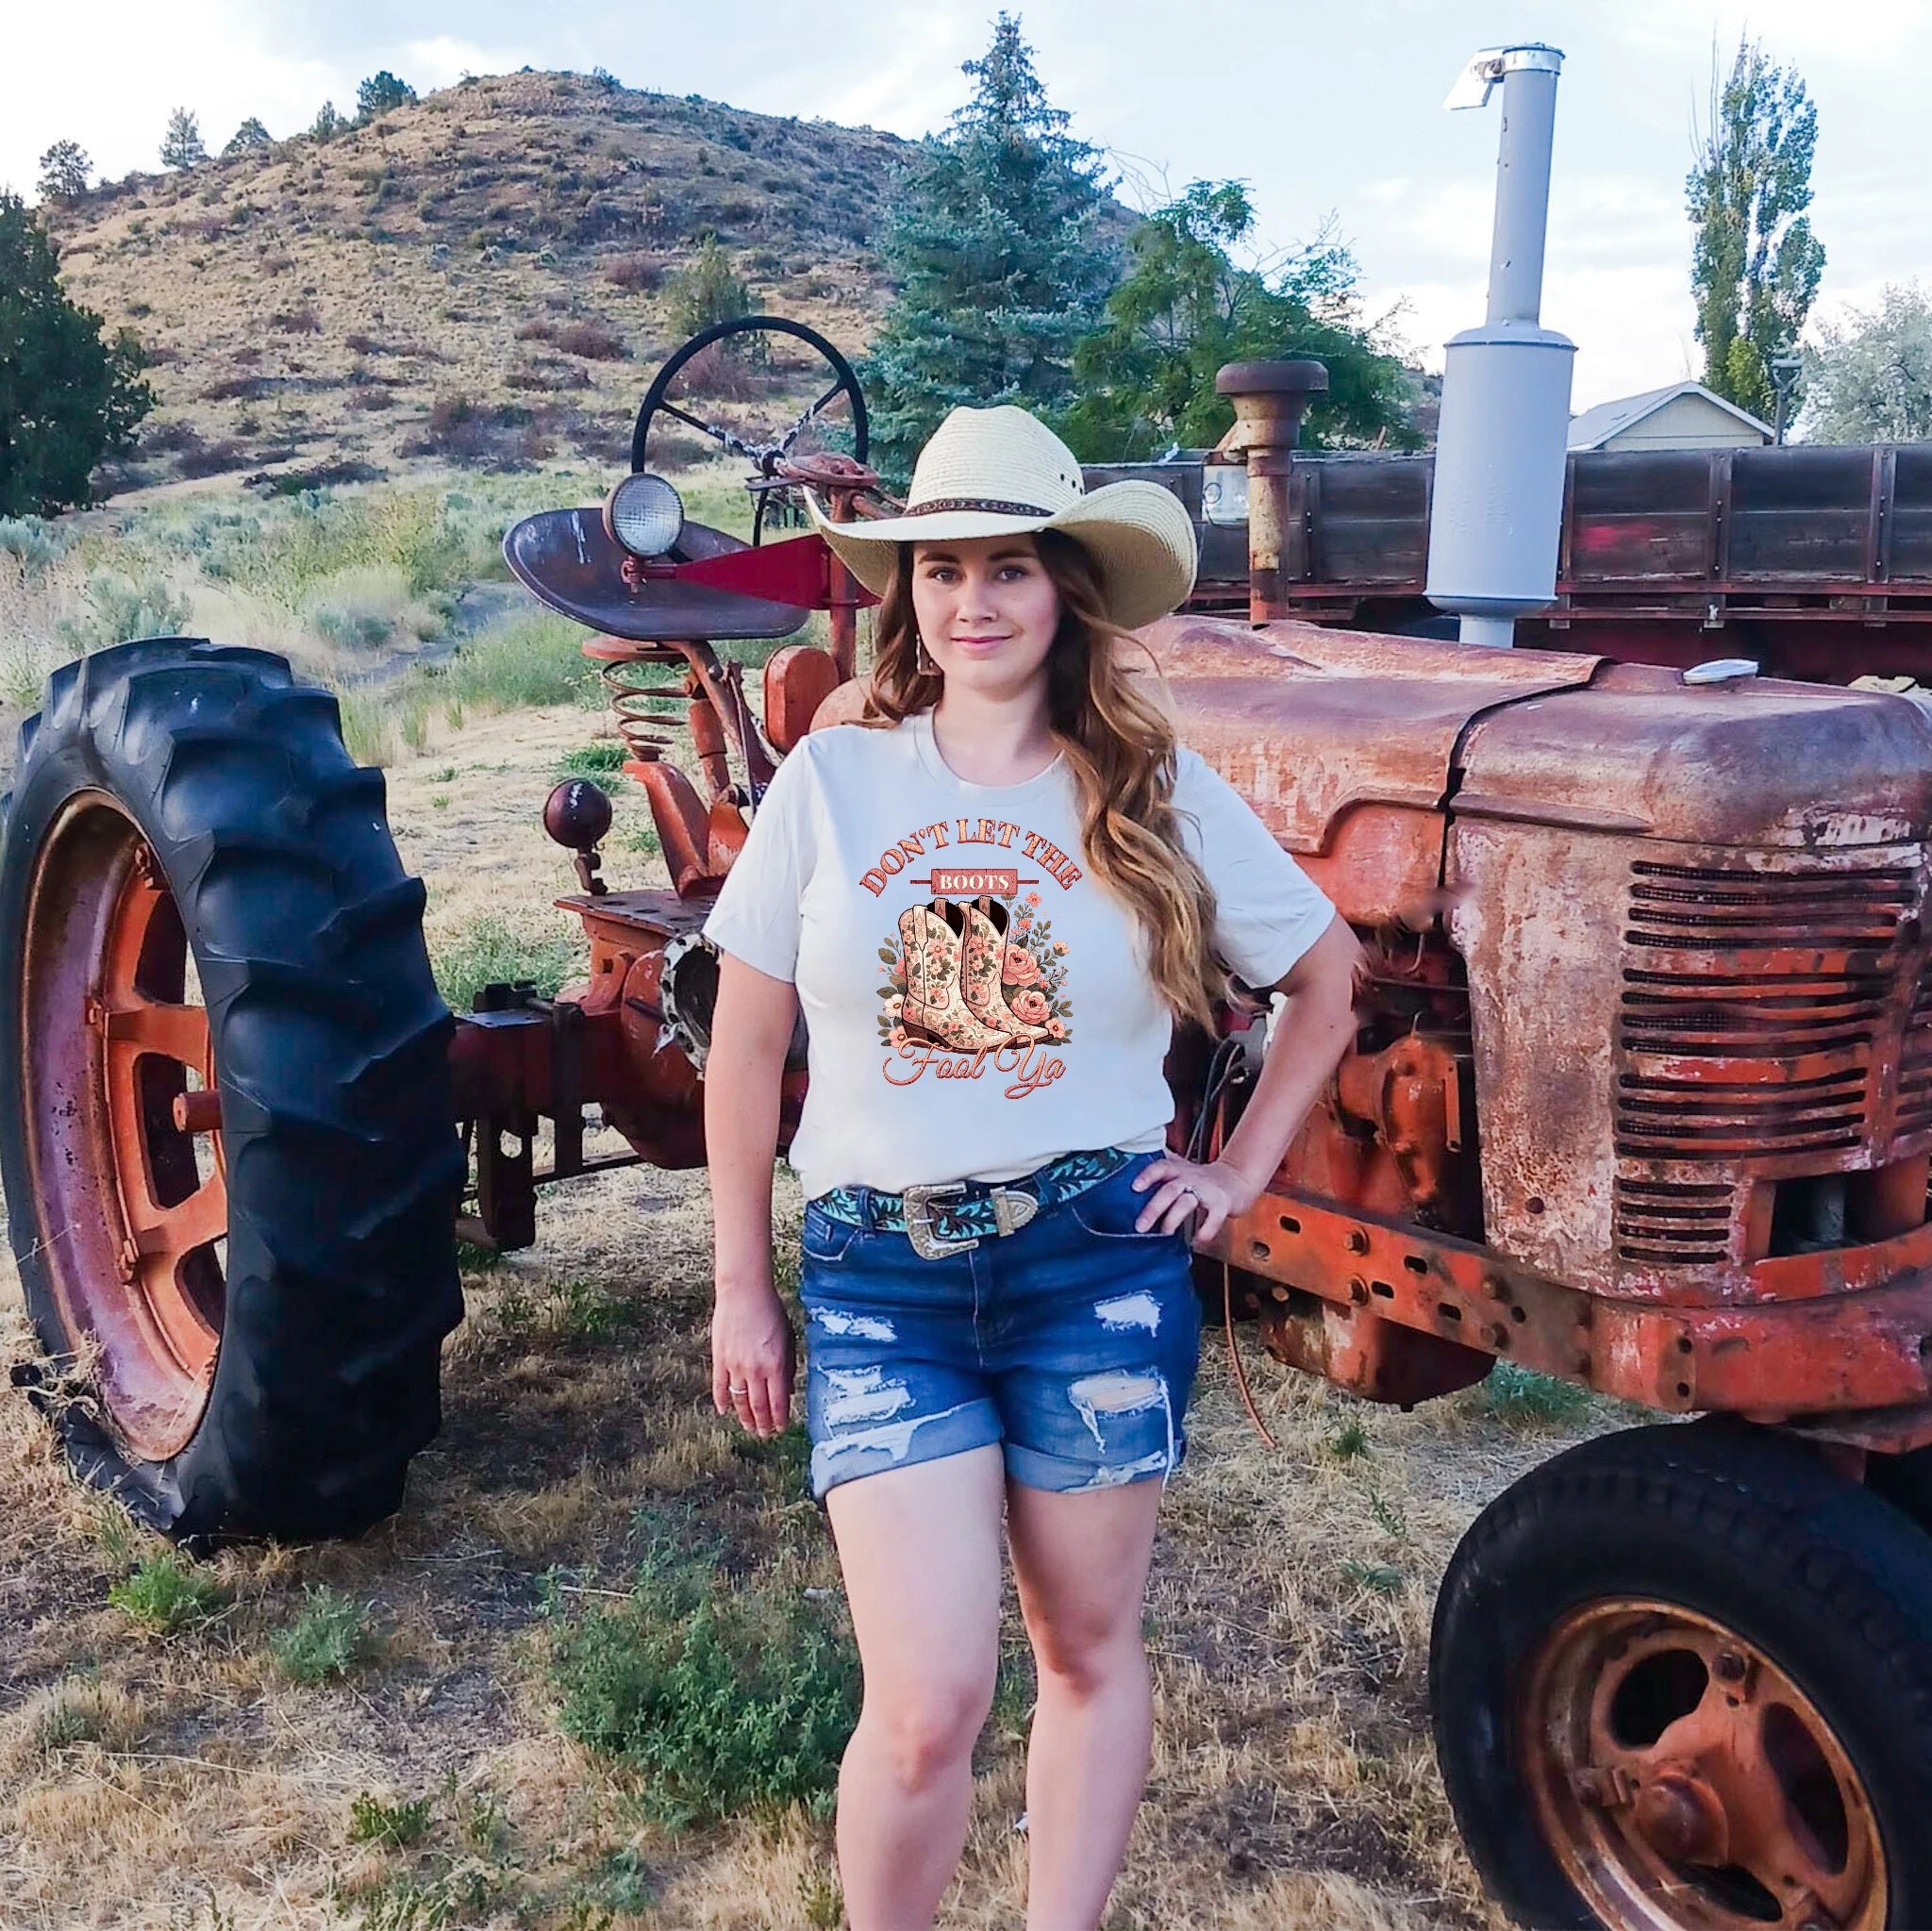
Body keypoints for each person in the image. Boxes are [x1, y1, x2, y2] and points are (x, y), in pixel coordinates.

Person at [701, 405, 1360, 1931]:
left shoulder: (1148, 788)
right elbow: (744, 1056)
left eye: (1008, 568)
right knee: (928, 1700)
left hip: (1094, 1267)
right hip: (883, 1278)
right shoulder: (834, 785)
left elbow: (1323, 983)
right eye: (941, 571)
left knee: (1085, 1652)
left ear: (1064, 590)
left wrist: (1241, 1175)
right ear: (908, 597)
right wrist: (746, 1289)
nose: (972, 602)